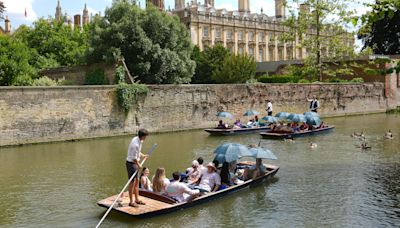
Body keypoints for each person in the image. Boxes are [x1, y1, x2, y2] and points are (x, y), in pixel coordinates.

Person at [126, 129, 149, 207]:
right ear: (142, 136)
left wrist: (143, 155)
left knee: (137, 182)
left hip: (135, 162)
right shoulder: (135, 144)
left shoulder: (139, 140)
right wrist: (139, 165)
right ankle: (131, 202)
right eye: (145, 136)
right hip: (131, 164)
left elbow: (138, 151)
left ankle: (137, 199)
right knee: (132, 183)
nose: (146, 138)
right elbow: (133, 158)